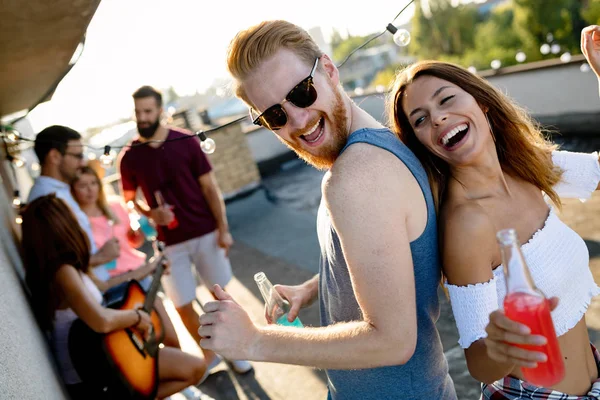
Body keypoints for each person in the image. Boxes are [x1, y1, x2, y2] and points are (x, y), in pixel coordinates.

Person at [197, 20, 457, 399]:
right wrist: (315, 287)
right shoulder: (382, 146)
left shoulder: (354, 177)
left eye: (302, 92)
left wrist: (255, 341)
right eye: (275, 115)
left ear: (329, 70)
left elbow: (392, 342)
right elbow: (400, 260)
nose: (299, 121)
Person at [388, 26, 600, 399]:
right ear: (421, 142)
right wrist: (503, 346)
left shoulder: (526, 168)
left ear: (481, 101)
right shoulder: (467, 224)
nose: (437, 118)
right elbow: (479, 361)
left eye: (446, 100)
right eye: (420, 119)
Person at [21, 194, 213, 400]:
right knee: (195, 368)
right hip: (90, 369)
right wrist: (137, 318)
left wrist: (149, 269)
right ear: (60, 227)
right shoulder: (63, 272)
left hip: (100, 352)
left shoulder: (68, 266)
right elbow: (102, 321)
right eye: (72, 218)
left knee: (178, 358)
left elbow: (104, 286)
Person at [117, 85, 252, 374]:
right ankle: (210, 357)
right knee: (182, 303)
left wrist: (223, 229)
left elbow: (210, 188)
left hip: (205, 231)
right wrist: (150, 213)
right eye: (138, 112)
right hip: (169, 243)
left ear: (160, 112)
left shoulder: (186, 141)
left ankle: (235, 350)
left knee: (220, 298)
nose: (142, 117)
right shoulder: (129, 156)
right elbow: (128, 200)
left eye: (148, 111)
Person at [71, 165, 179, 348]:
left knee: (167, 334)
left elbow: (131, 242)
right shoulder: (77, 221)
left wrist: (136, 236)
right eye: (82, 185)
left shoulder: (114, 206)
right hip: (114, 286)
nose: (90, 190)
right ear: (73, 190)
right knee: (141, 344)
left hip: (141, 273)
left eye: (93, 183)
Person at [28, 125, 119, 282]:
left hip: (100, 286)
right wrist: (101, 256)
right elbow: (57, 263)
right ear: (55, 156)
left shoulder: (61, 190)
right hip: (87, 297)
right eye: (78, 156)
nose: (82, 162)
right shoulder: (45, 200)